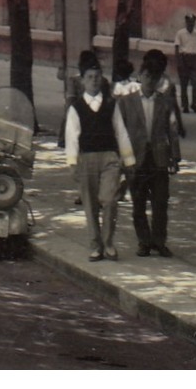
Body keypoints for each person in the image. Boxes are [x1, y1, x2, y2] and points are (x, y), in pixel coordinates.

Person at [64, 54, 136, 262]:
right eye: (90, 77)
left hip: (109, 159)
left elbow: (121, 132)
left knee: (110, 199)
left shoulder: (111, 105)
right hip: (86, 159)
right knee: (90, 204)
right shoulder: (76, 108)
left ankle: (109, 242)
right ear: (83, 81)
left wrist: (129, 160)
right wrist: (72, 163)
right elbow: (72, 136)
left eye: (97, 76)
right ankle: (95, 245)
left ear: (101, 79)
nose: (94, 80)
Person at [118, 49, 182, 257]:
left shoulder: (164, 101)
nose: (150, 81)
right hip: (135, 157)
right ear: (140, 76)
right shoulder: (127, 102)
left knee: (161, 202)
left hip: (159, 157)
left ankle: (159, 240)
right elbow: (121, 131)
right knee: (138, 202)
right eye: (146, 77)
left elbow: (171, 129)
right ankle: (143, 241)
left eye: (154, 78)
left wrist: (175, 156)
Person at [174, 13, 196, 114]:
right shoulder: (180, 33)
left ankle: (194, 103)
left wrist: (195, 54)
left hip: (193, 58)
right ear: (186, 22)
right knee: (184, 83)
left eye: (192, 23)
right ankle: (185, 105)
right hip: (184, 58)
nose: (191, 24)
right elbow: (177, 47)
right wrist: (179, 62)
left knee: (195, 82)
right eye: (189, 22)